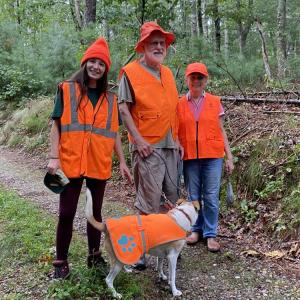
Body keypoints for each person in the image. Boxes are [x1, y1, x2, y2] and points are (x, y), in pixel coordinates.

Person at [47, 37, 132, 279]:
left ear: (106, 69)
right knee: (66, 213)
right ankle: (60, 262)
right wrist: (54, 157)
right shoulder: (67, 89)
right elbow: (56, 126)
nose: (96, 66)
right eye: (92, 61)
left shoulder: (111, 99)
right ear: (85, 63)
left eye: (101, 64)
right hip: (70, 161)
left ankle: (94, 257)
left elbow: (114, 133)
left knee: (94, 214)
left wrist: (123, 162)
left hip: (98, 163)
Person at [118, 21, 182, 269]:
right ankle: (140, 252)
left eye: (162, 43)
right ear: (143, 47)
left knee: (172, 198)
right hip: (147, 147)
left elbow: (172, 110)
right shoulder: (130, 72)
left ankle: (166, 245)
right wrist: (139, 140)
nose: (159, 47)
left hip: (170, 146)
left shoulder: (167, 73)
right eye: (153, 43)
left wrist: (176, 139)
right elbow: (123, 108)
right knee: (148, 202)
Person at [177, 62, 234, 252]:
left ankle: (210, 234)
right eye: (193, 77)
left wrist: (229, 156)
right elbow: (175, 131)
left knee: (210, 197)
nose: (196, 80)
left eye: (200, 77)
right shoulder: (178, 104)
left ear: (206, 80)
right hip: (190, 157)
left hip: (213, 157)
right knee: (193, 196)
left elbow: (221, 130)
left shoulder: (214, 101)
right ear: (187, 80)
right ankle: (195, 230)